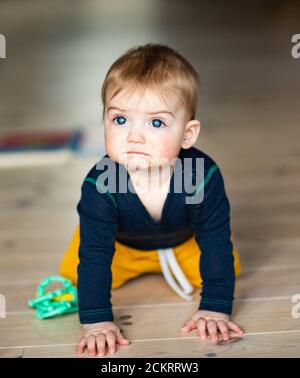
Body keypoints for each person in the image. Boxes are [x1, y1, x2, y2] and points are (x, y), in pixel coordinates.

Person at [59, 43, 244, 357]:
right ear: (103, 119)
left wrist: (215, 307)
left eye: (156, 122)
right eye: (120, 120)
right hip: (122, 249)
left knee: (228, 265)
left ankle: (169, 262)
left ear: (188, 134)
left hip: (185, 243)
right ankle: (138, 266)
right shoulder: (102, 183)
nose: (134, 136)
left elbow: (214, 242)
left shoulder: (200, 175)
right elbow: (94, 255)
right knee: (76, 272)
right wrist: (96, 321)